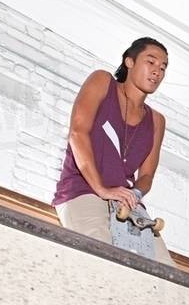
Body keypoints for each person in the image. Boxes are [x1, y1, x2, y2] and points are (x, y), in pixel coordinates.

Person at [53, 37, 173, 264]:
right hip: (84, 192)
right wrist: (102, 189)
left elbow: (147, 176)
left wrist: (134, 195)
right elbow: (78, 133)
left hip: (125, 204)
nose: (157, 71)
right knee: (103, 262)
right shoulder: (102, 82)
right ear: (130, 62)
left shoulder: (157, 121)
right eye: (151, 62)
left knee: (167, 273)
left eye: (163, 67)